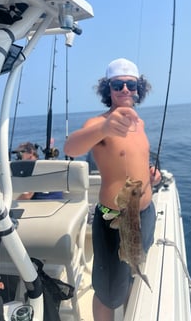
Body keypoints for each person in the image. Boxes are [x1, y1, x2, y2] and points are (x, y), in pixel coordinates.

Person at [64, 58, 161, 321]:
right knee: (108, 292)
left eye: (131, 84)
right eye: (118, 85)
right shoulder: (99, 124)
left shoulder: (139, 123)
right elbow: (70, 148)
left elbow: (135, 158)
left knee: (132, 270)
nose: (126, 90)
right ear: (108, 89)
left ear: (139, 88)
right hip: (113, 219)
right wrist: (105, 127)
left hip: (145, 213)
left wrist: (152, 174)